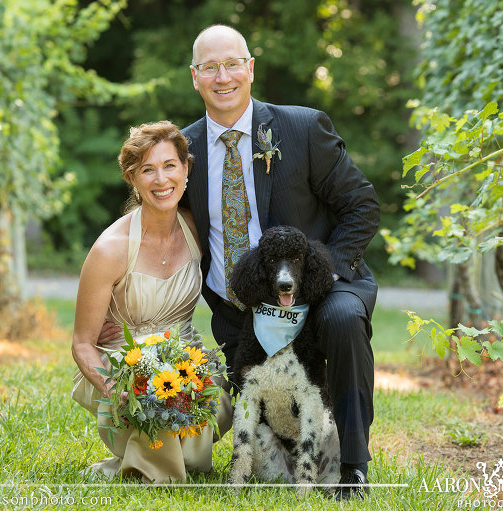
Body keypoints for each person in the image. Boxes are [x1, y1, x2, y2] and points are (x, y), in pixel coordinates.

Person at [182, 25, 382, 500]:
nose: (222, 75)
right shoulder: (183, 151)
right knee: (263, 429)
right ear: (195, 77)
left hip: (320, 285)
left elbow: (362, 206)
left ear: (250, 69)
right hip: (241, 309)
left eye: (232, 63)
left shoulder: (301, 128)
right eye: (210, 66)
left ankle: (354, 465)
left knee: (344, 318)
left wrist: (321, 276)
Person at [71, 121, 231, 483]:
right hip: (123, 364)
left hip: (184, 356)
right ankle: (146, 459)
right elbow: (81, 343)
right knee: (154, 405)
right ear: (132, 178)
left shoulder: (199, 230)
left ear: (186, 169)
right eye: (147, 169)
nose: (161, 180)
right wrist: (117, 392)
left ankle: (167, 453)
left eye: (169, 165)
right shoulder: (110, 250)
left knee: (203, 402)